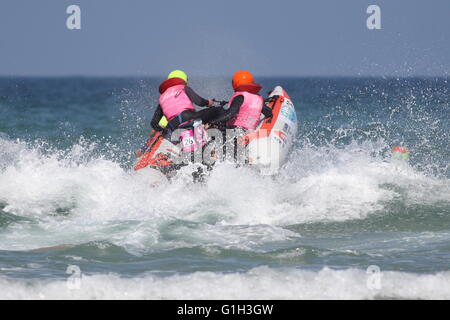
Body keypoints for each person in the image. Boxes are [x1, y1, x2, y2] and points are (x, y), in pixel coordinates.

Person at [136, 70, 222, 157]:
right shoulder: (183, 88)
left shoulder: (162, 97)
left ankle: (143, 151)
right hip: (187, 117)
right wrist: (208, 102)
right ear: (184, 81)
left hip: (173, 126)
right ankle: (214, 138)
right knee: (217, 111)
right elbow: (199, 101)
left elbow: (154, 123)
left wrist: (165, 130)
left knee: (169, 136)